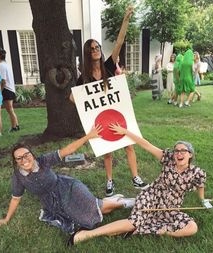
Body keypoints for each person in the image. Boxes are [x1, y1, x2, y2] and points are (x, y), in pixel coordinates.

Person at [70, 123, 210, 245]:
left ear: (190, 154)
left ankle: (151, 231)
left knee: (192, 227)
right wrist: (125, 132)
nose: (179, 153)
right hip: (152, 195)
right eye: (176, 151)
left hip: (171, 206)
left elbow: (200, 185)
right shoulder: (168, 159)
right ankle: (85, 234)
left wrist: (203, 200)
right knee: (133, 222)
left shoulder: (197, 172)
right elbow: (146, 144)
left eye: (183, 151)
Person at [0, 125, 135, 233]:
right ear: (15, 161)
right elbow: (16, 198)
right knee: (82, 220)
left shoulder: (43, 161)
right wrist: (6, 219)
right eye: (19, 158)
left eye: (26, 155)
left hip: (69, 188)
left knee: (100, 208)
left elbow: (67, 150)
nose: (24, 159)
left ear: (32, 154)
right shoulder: (18, 176)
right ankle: (114, 200)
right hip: (53, 203)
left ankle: (125, 202)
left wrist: (88, 136)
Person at [69, 6, 148, 197]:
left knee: (128, 143)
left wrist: (126, 20)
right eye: (92, 48)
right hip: (101, 116)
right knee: (107, 150)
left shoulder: (109, 66)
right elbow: (73, 98)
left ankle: (136, 178)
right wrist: (83, 101)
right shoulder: (84, 78)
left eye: (97, 47)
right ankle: (109, 181)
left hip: (116, 112)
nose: (96, 50)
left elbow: (119, 42)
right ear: (88, 53)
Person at [0, 48, 19, 132]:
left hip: (7, 89)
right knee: (10, 109)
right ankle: (16, 125)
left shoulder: (1, 66)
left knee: (9, 109)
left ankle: (14, 127)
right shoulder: (5, 64)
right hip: (10, 89)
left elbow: (3, 81)